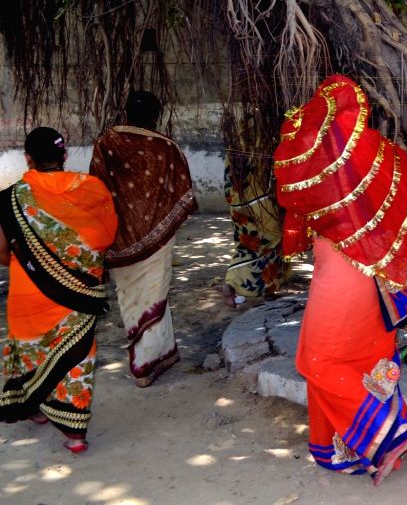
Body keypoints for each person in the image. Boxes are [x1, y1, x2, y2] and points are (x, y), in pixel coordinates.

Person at [274, 75, 407, 484]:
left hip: (342, 283)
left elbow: (293, 199)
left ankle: (389, 436)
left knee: (317, 360)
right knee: (365, 361)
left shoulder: (317, 169)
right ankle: (342, 447)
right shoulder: (383, 159)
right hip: (376, 284)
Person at [0, 128, 118, 453]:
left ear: (28, 159)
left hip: (27, 292)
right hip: (78, 294)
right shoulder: (93, 190)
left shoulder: (9, 200)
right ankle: (75, 435)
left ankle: (36, 408)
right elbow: (104, 237)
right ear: (64, 156)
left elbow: (1, 251)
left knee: (31, 352)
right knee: (76, 358)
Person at [89, 90, 197, 387]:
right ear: (155, 115)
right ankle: (143, 367)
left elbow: (97, 192)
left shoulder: (105, 143)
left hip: (118, 238)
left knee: (133, 297)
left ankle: (165, 352)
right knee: (155, 294)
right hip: (158, 241)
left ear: (126, 112)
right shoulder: (166, 147)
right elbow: (183, 194)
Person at [221, 153, 290, 307]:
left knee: (246, 244)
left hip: (237, 198)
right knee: (273, 239)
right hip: (261, 198)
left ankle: (232, 283)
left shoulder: (233, 139)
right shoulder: (258, 141)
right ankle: (268, 291)